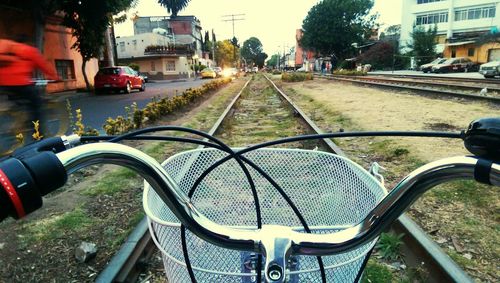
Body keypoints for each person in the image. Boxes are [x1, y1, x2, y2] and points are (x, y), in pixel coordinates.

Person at [0, 36, 58, 138]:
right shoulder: (30, 50)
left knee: (18, 102)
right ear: (28, 43)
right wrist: (54, 76)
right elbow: (43, 65)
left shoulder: (8, 48)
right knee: (37, 104)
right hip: (20, 84)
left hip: (3, 84)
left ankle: (17, 119)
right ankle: (38, 134)